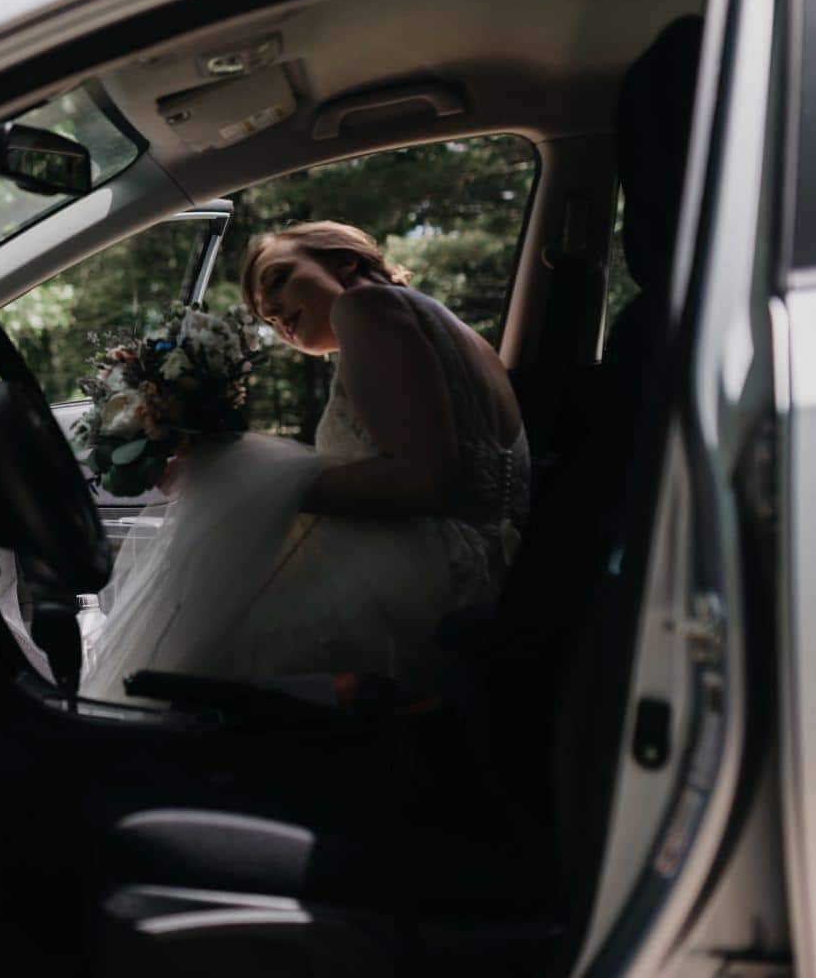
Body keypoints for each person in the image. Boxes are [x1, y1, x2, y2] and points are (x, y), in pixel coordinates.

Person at [80, 220, 528, 703]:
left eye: (278, 280)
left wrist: (233, 479)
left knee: (194, 646)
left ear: (345, 261)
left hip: (430, 577)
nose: (272, 312)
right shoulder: (449, 329)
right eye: (263, 317)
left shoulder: (366, 306)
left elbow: (422, 481)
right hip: (483, 569)